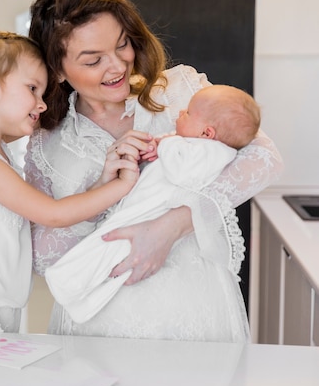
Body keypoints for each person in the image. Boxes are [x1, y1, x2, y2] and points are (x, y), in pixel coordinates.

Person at [25, 0, 283, 341]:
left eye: (121, 45)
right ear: (57, 70)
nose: (117, 65)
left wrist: (170, 227)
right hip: (99, 330)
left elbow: (264, 158)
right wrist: (103, 191)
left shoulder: (183, 92)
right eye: (93, 59)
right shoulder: (47, 142)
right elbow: (41, 257)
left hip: (196, 316)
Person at [0, 30, 140, 333]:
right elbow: (52, 214)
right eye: (32, 89)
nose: (41, 104)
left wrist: (103, 180)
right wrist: (121, 186)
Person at [45, 84, 261, 325]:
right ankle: (75, 292)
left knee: (112, 259)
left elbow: (183, 172)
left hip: (151, 219)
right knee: (106, 257)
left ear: (207, 133)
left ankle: (72, 288)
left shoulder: (212, 152)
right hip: (138, 214)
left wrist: (165, 144)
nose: (180, 114)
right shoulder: (193, 146)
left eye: (188, 113)